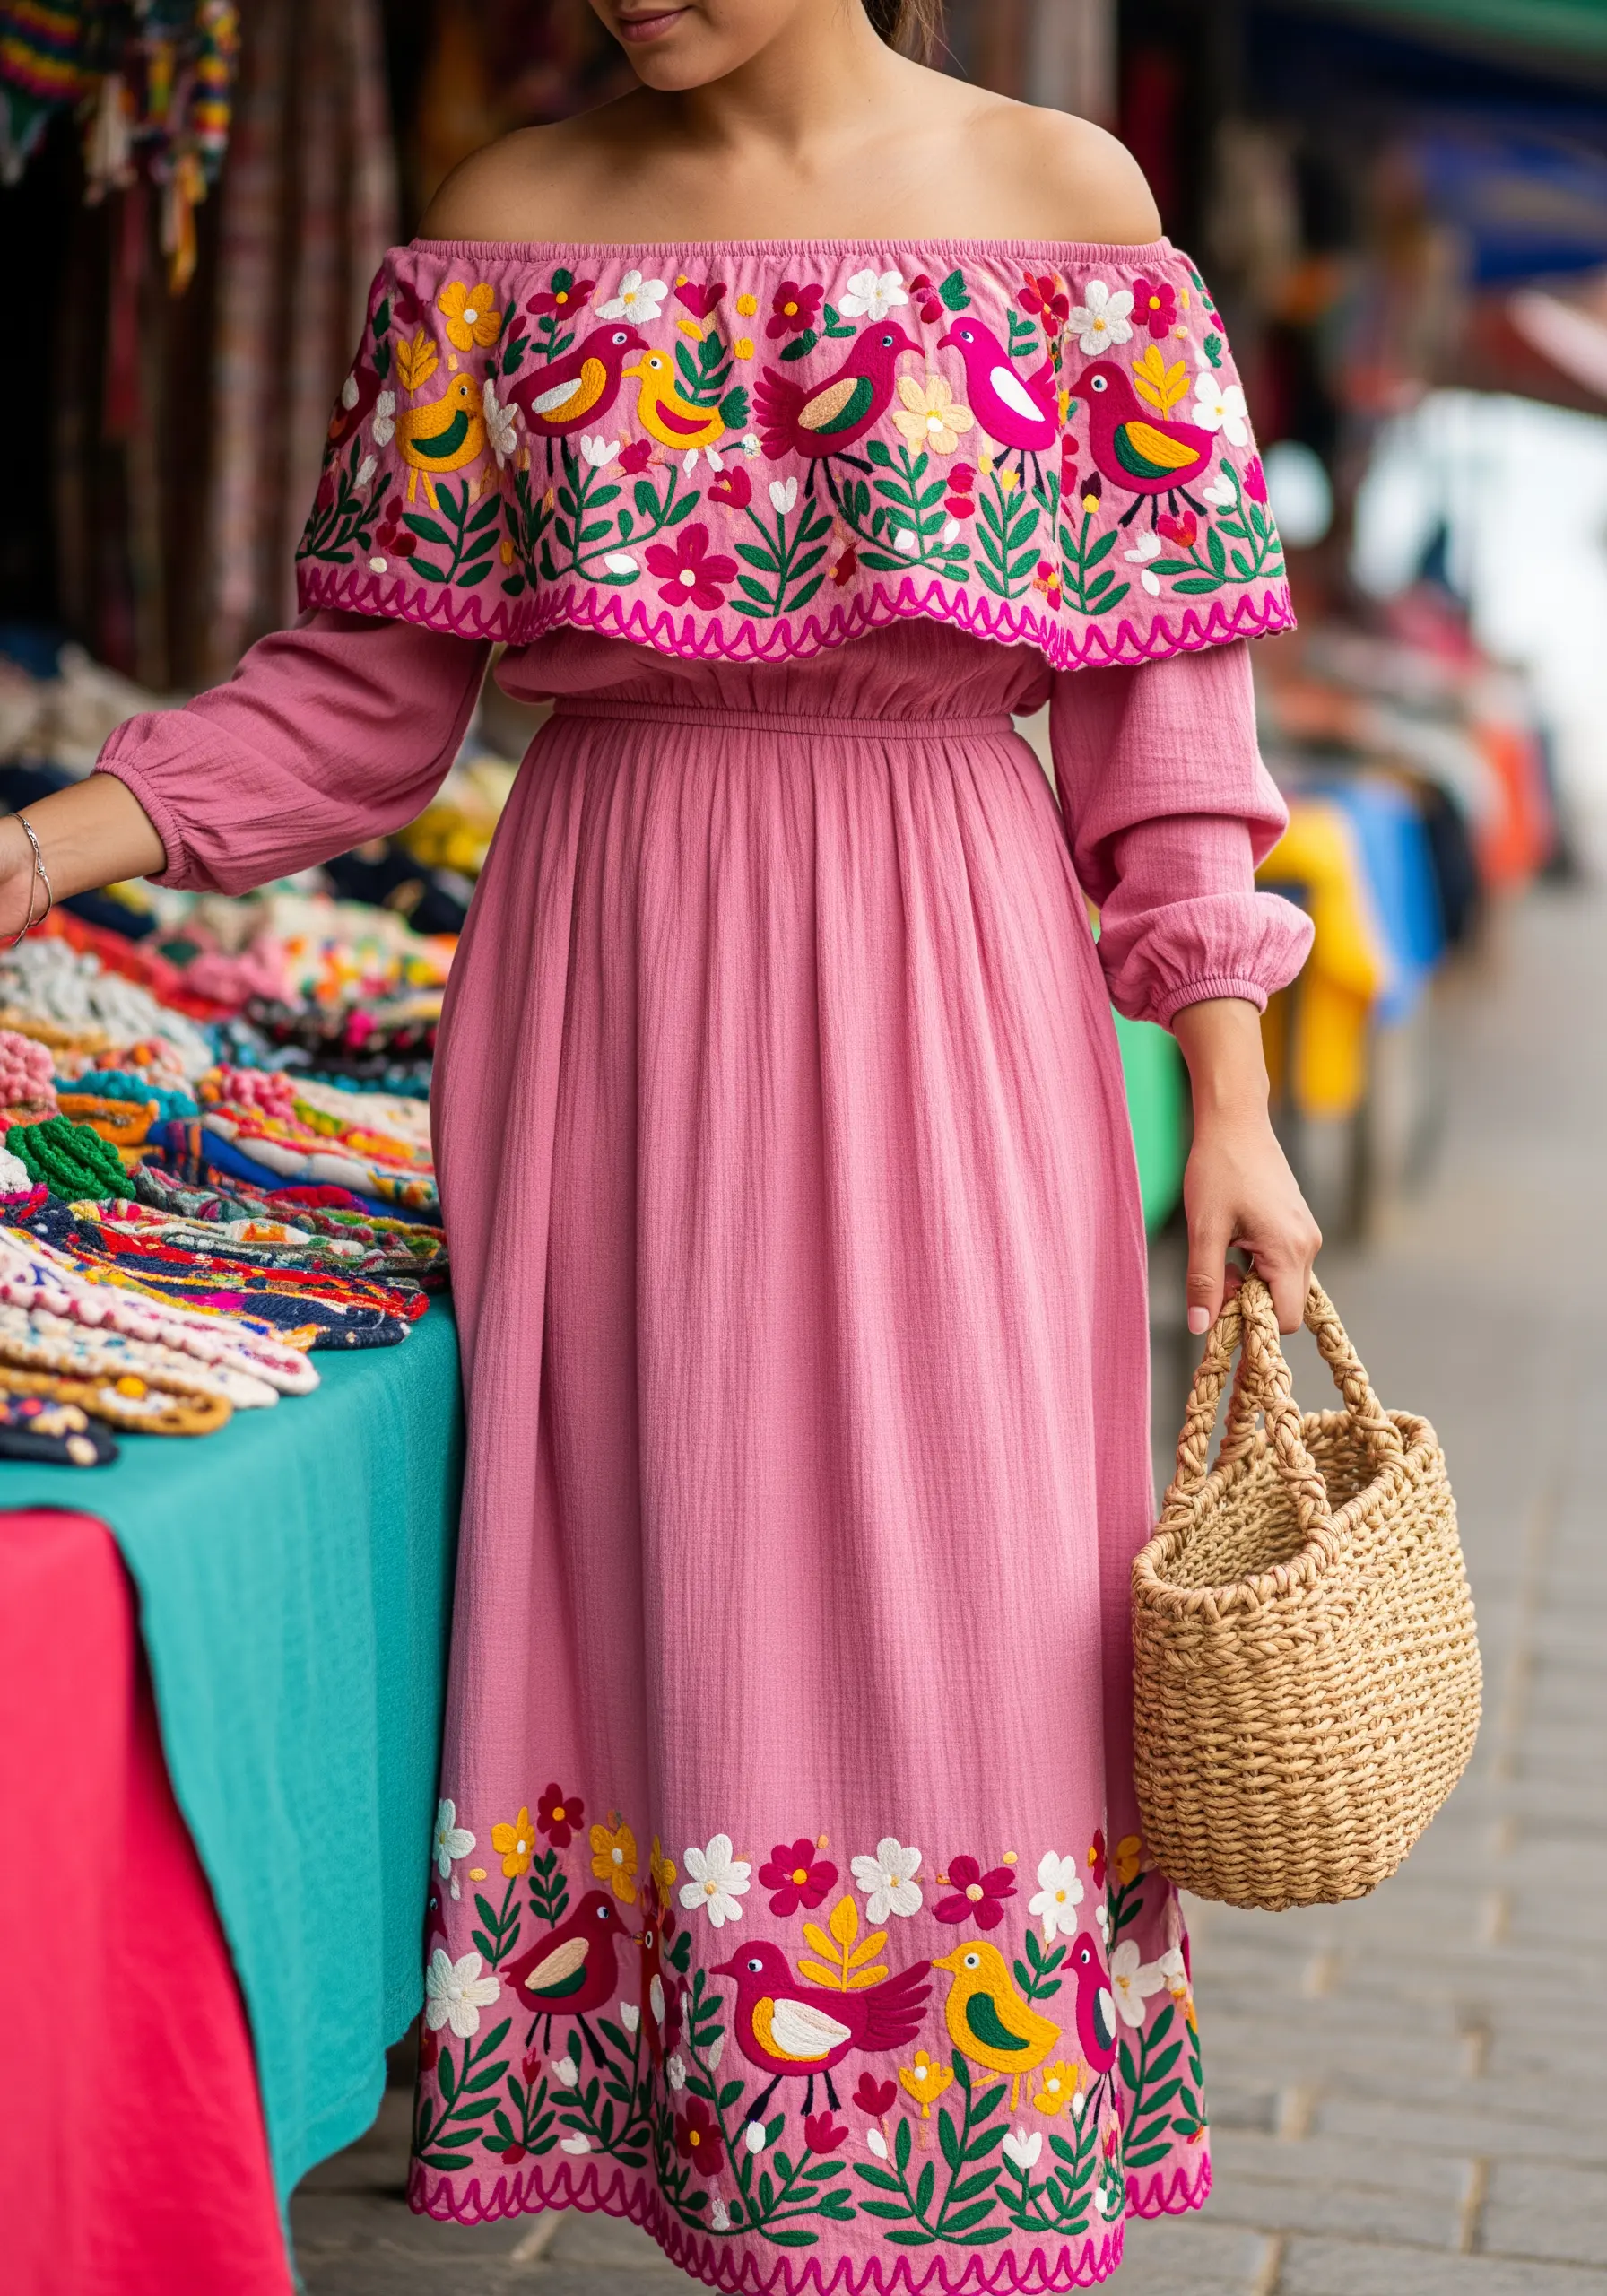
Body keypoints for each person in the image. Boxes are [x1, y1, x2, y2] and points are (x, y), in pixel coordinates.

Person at [11, 0, 1319, 2280]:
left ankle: (930, 2186)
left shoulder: (1067, 209)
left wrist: (1228, 1099)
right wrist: (53, 847)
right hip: (603, 976)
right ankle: (698, 2155)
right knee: (663, 1579)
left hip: (950, 982)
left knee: (968, 1588)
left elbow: (1162, 726)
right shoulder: (507, 225)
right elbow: (363, 696)